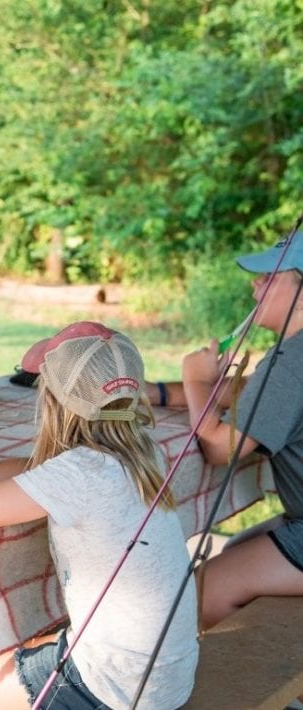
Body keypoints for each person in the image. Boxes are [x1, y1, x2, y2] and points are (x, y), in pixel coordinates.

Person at [0, 321, 198, 709]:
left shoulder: (80, 474)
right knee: (21, 646)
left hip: (113, 687)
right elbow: (36, 467)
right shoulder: (140, 453)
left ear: (55, 401)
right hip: (164, 678)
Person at [150, 230, 303, 630]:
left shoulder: (291, 360)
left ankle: (284, 684)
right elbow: (255, 395)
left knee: (203, 594)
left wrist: (197, 383)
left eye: (270, 277)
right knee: (236, 547)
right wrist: (158, 392)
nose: (255, 283)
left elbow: (221, 447)